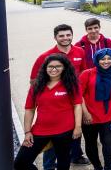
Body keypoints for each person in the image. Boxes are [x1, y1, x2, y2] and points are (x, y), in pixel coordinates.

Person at [29, 25, 89, 168]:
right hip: (56, 104)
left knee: (74, 132)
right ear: (55, 37)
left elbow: (84, 74)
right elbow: (33, 81)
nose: (65, 38)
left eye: (68, 35)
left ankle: (75, 156)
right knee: (52, 140)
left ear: (72, 35)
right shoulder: (45, 57)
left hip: (74, 102)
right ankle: (49, 166)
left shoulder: (79, 52)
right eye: (61, 36)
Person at [14, 54, 82, 170]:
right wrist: (27, 132)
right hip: (40, 130)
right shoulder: (36, 86)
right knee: (20, 163)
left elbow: (77, 106)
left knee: (63, 163)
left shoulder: (71, 84)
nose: (54, 69)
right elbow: (29, 109)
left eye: (58, 66)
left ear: (64, 68)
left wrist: (78, 127)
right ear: (45, 68)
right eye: (50, 66)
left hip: (65, 130)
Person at [79, 49, 111, 170]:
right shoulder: (87, 73)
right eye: (103, 59)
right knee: (91, 144)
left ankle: (108, 166)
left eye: (109, 58)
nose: (106, 61)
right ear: (97, 60)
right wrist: (85, 113)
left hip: (108, 115)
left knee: (108, 143)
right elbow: (79, 96)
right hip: (90, 117)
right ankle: (97, 167)